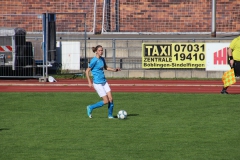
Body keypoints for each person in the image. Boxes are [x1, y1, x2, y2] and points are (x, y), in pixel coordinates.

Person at [85, 45, 121, 118]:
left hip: (104, 82)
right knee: (106, 101)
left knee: (111, 99)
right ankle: (90, 107)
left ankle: (110, 115)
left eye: (102, 50)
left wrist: (114, 70)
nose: (101, 52)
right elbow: (87, 71)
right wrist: (89, 82)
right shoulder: (94, 60)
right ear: (96, 52)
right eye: (100, 50)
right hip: (97, 83)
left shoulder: (102, 59)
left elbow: (106, 67)